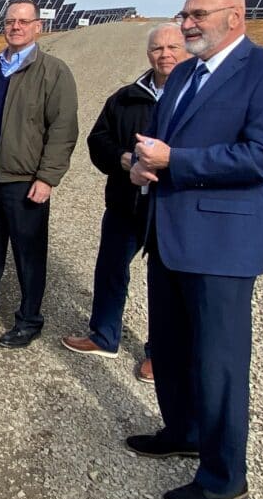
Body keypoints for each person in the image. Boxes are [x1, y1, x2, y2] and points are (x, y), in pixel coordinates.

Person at [128, 0, 263, 499]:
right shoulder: (183, 74)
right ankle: (181, 431)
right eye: (184, 15)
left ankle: (225, 474)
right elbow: (159, 143)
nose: (186, 25)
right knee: (172, 344)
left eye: (198, 15)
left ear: (235, 17)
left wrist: (173, 162)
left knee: (219, 361)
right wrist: (139, 164)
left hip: (222, 245)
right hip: (168, 236)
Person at [62, 23, 190, 381]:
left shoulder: (198, 97)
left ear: (187, 49)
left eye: (172, 47)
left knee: (165, 282)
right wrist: (123, 159)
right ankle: (104, 335)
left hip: (173, 206)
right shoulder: (127, 97)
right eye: (157, 49)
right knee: (110, 268)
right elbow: (97, 140)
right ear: (148, 54)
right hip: (126, 202)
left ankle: (160, 353)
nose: (165, 55)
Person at [0, 0, 78, 348]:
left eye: (24, 21)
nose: (16, 27)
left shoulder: (53, 71)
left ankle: (29, 319)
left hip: (25, 181)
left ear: (38, 27)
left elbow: (63, 128)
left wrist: (47, 177)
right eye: (10, 21)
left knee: (29, 253)